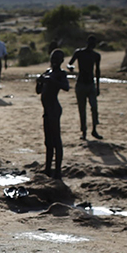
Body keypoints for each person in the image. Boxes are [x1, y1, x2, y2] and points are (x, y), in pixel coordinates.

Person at [36, 49, 70, 179]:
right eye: (53, 59)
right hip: (47, 110)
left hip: (54, 109)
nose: (54, 62)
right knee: (48, 141)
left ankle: (58, 170)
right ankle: (48, 168)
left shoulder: (61, 74)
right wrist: (40, 81)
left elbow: (66, 87)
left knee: (56, 140)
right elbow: (39, 91)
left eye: (57, 60)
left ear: (61, 61)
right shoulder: (47, 72)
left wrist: (51, 80)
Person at [68, 35, 103, 140]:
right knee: (82, 109)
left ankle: (94, 130)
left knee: (94, 107)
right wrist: (70, 68)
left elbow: (97, 71)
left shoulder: (96, 55)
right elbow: (70, 63)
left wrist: (97, 86)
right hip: (81, 84)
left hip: (90, 84)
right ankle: (84, 131)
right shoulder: (79, 53)